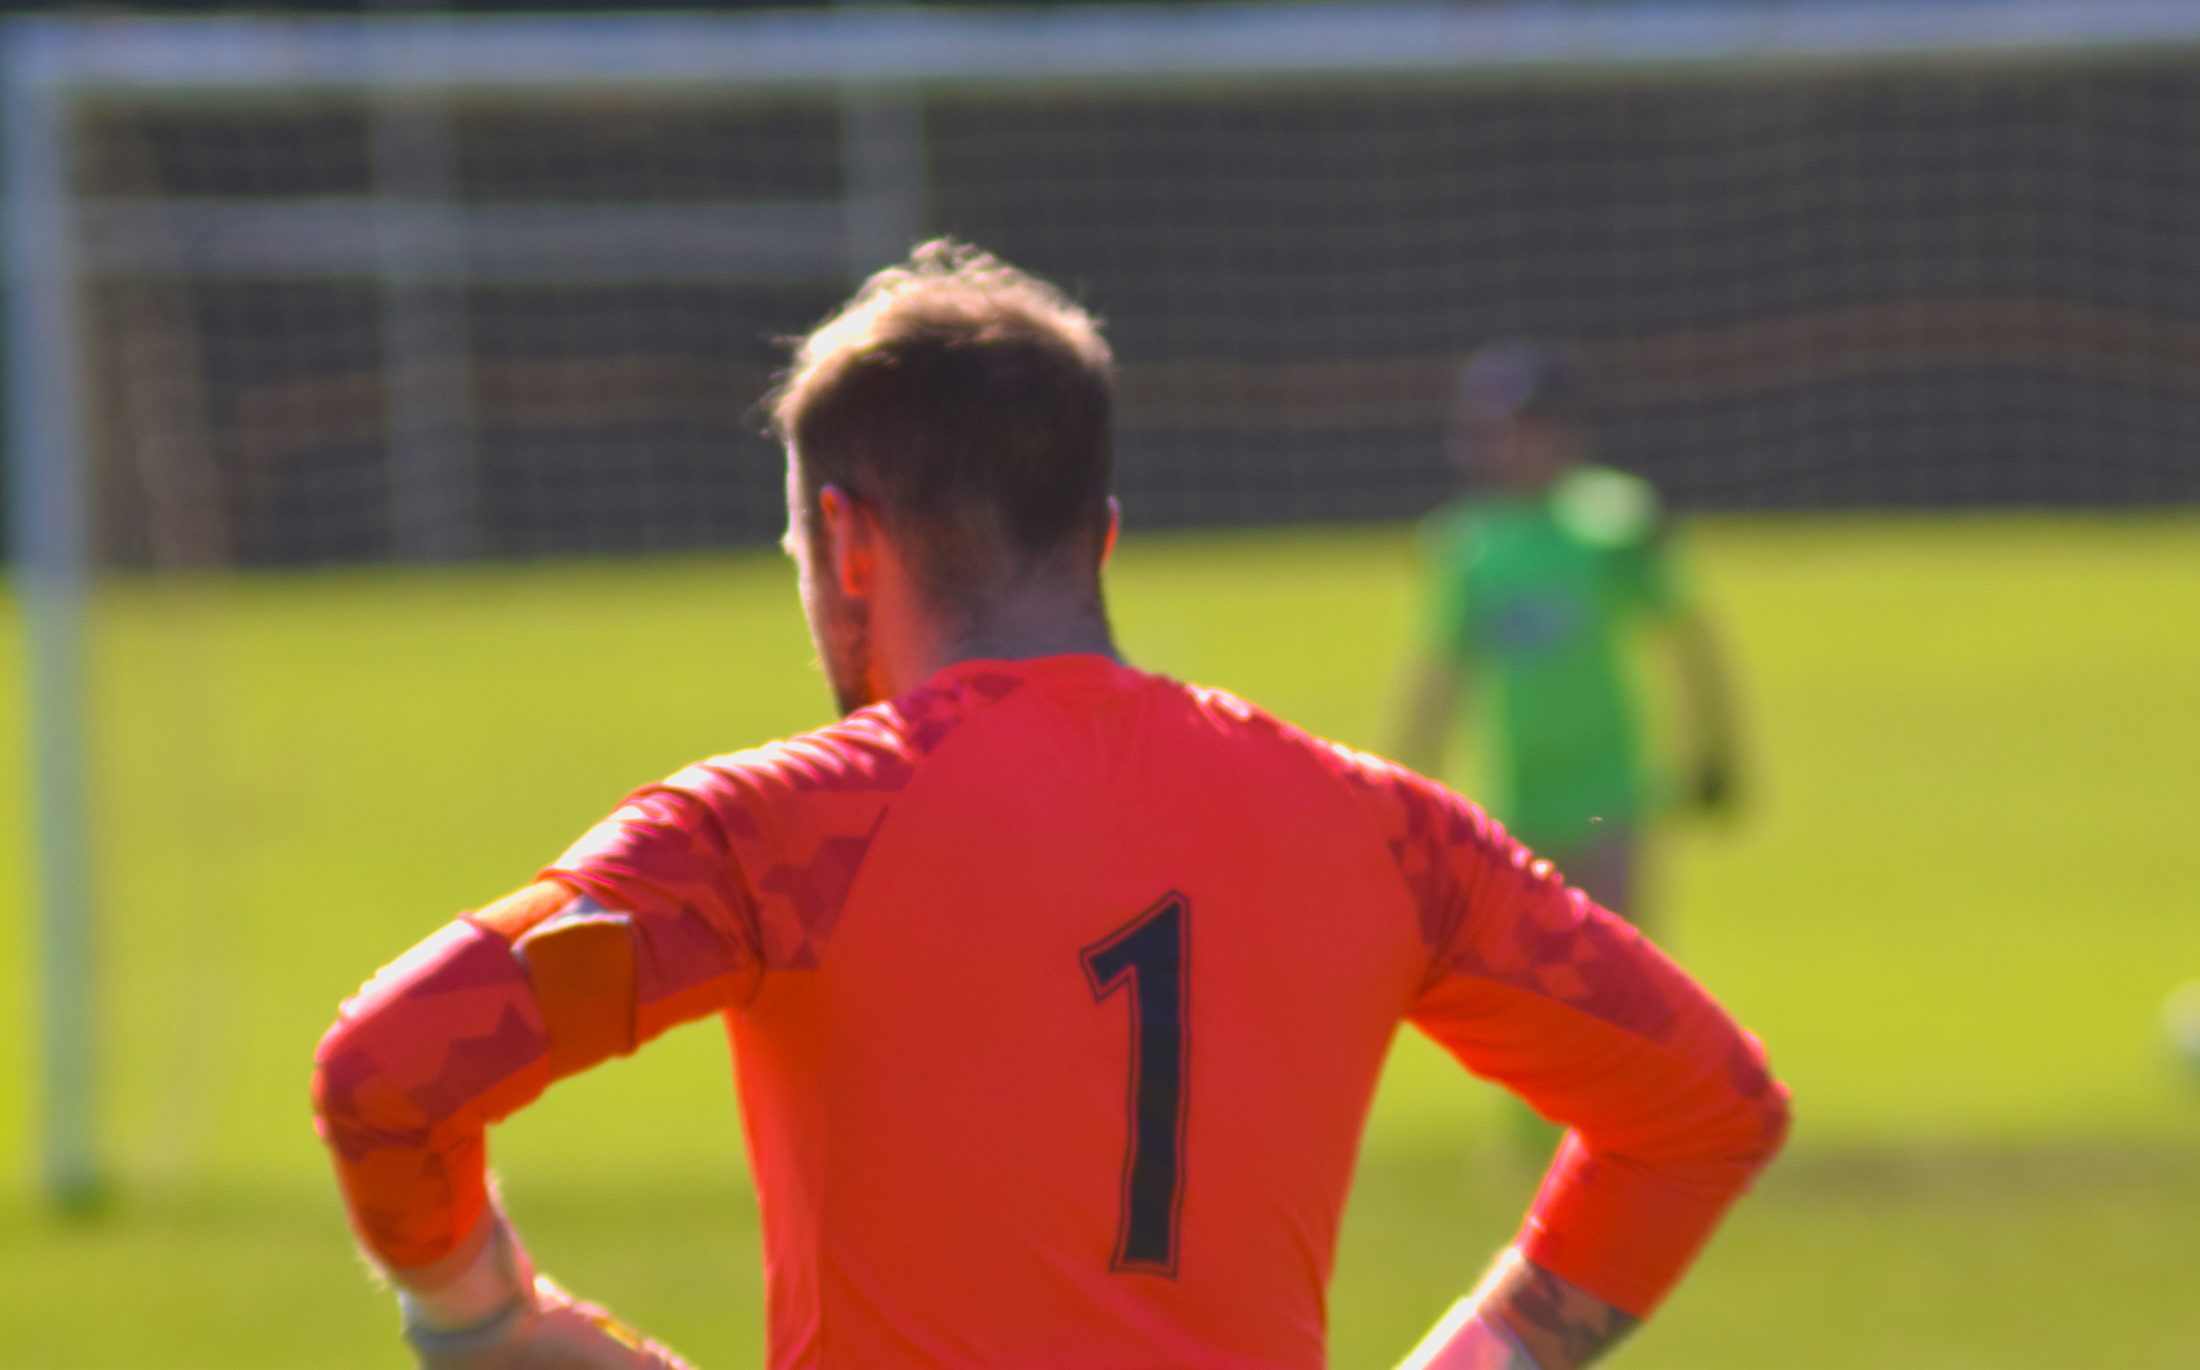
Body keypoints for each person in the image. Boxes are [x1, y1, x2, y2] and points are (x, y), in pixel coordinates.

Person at [313, 243, 1789, 1370]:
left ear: (844, 537)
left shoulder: (784, 831)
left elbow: (389, 1066)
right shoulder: (1381, 831)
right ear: (1102, 536)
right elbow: (1705, 1108)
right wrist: (1491, 1351)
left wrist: (483, 1316)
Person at [1391, 342, 1740, 924]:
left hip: (1610, 800)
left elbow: (1684, 635)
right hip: (1519, 802)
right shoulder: (1466, 545)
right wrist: (1406, 792)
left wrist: (1713, 746)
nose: (1512, 446)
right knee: (1529, 987)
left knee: (1626, 975)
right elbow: (1441, 678)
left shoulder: (1612, 523)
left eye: (1527, 427)